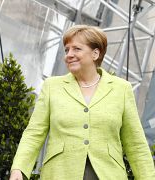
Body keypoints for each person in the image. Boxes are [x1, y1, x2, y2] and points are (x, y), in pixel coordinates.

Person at [9, 25, 155, 180]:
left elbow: (136, 143)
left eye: (76, 49)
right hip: (59, 174)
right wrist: (19, 168)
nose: (69, 55)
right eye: (67, 50)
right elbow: (34, 133)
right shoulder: (52, 86)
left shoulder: (121, 89)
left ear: (95, 53)